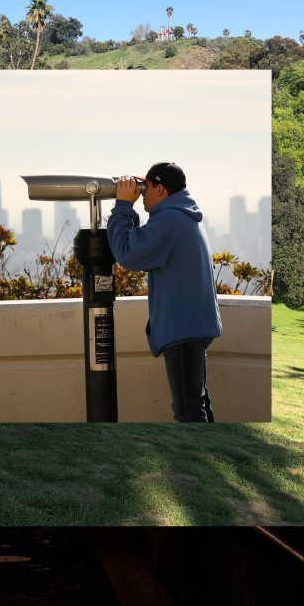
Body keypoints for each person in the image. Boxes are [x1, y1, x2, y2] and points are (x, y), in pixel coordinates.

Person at [107, 163, 223, 422]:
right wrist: (130, 208)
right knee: (196, 403)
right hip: (191, 327)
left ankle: (197, 461)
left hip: (182, 330)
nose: (142, 194)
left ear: (160, 189)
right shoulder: (183, 216)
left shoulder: (170, 220)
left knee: (189, 411)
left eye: (145, 188)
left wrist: (124, 206)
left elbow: (127, 253)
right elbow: (141, 244)